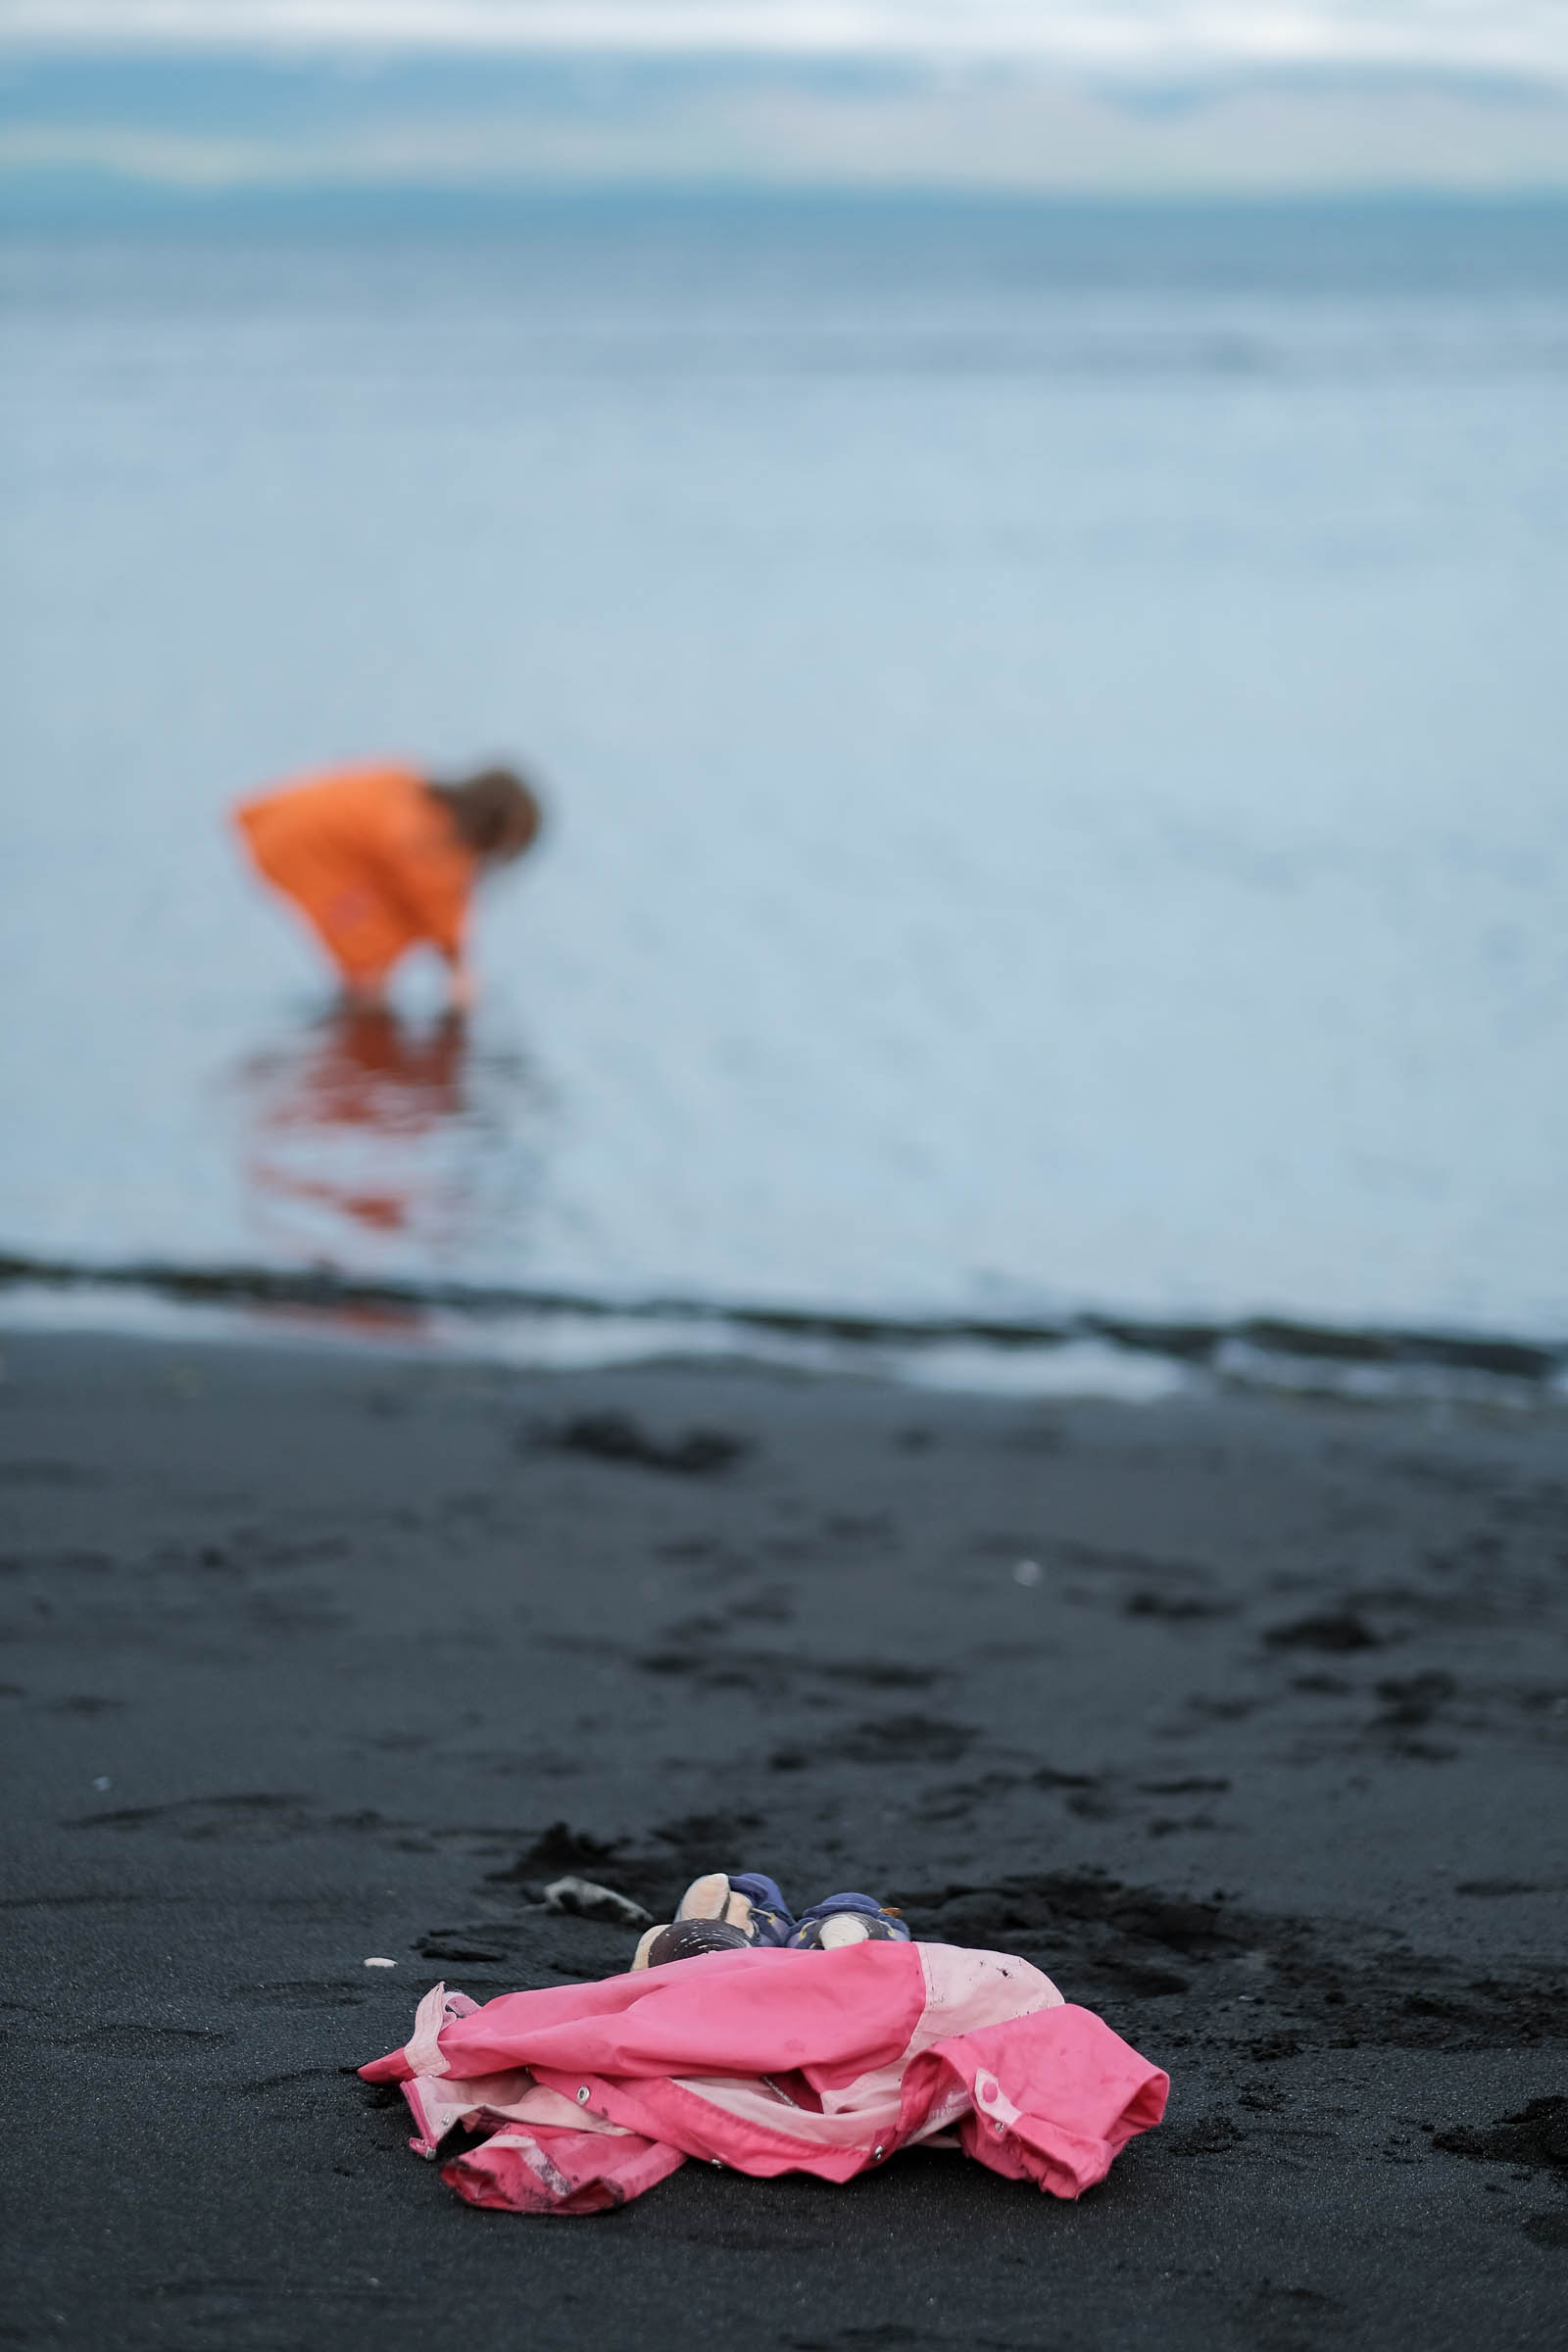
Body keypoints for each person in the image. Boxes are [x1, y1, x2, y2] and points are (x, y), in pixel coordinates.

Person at [234, 759, 541, 1012]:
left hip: (278, 825)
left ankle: (361, 1026)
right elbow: (435, 897)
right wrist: (459, 971)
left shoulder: (412, 787)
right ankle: (363, 1026)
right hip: (304, 851)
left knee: (388, 927)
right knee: (370, 957)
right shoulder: (430, 837)